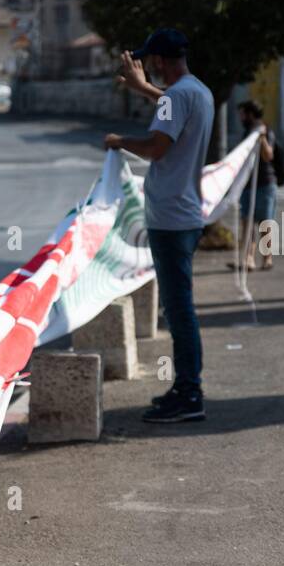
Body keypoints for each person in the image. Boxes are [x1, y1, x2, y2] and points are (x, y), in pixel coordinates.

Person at [103, 28, 214, 423]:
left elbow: (155, 147)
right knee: (181, 306)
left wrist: (119, 140)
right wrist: (146, 88)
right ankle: (187, 388)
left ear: (160, 62)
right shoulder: (198, 91)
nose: (147, 67)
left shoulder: (177, 97)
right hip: (186, 213)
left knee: (179, 309)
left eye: (150, 62)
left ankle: (190, 393)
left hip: (170, 216)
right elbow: (172, 107)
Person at [225, 99, 277, 272]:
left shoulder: (265, 131)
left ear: (251, 114)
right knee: (247, 222)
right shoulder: (247, 131)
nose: (240, 117)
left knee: (264, 224)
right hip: (247, 184)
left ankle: (267, 258)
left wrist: (261, 137)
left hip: (264, 184)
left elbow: (268, 156)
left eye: (242, 114)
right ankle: (248, 259)